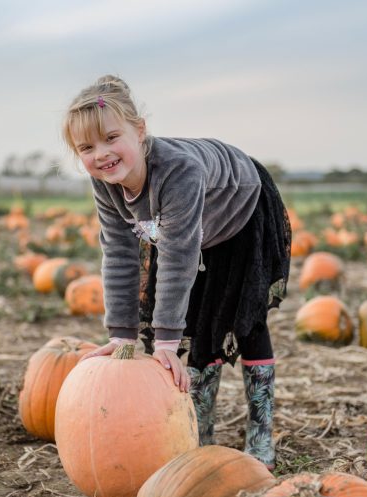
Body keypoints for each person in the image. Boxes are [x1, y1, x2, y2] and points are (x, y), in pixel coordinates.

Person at [63, 75, 291, 469]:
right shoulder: (106, 183)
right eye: (87, 147)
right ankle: (201, 431)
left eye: (111, 138)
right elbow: (119, 253)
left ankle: (260, 432)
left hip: (241, 210)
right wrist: (121, 335)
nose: (101, 154)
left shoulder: (177, 169)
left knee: (245, 323)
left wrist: (165, 343)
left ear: (140, 131)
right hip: (189, 233)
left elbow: (178, 252)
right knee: (199, 325)